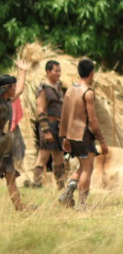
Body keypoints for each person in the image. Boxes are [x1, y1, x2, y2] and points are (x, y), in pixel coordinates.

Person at [59, 58, 109, 209]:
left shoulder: (69, 90)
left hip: (71, 135)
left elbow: (65, 115)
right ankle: (81, 204)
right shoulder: (88, 93)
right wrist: (102, 140)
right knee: (88, 169)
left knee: (81, 167)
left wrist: (65, 137)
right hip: (84, 135)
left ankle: (67, 193)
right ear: (92, 73)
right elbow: (92, 120)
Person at [0, 61, 33, 211]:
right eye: (12, 86)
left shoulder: (7, 100)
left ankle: (19, 207)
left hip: (3, 144)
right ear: (6, 88)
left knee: (11, 175)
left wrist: (23, 72)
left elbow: (19, 90)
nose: (15, 88)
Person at [29, 60, 66, 189]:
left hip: (58, 126)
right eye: (56, 71)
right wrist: (46, 130)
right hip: (49, 125)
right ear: (48, 71)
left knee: (59, 156)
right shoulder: (43, 88)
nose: (58, 73)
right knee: (44, 155)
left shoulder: (59, 87)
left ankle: (61, 184)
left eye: (59, 71)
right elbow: (40, 110)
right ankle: (37, 182)